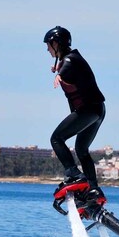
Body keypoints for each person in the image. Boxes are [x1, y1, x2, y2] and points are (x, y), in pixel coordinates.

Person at [44, 25, 107, 211]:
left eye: (48, 45)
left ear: (56, 43)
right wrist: (58, 68)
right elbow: (71, 67)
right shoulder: (70, 59)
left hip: (88, 111)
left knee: (56, 138)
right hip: (97, 110)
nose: (47, 49)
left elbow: (69, 67)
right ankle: (94, 190)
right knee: (81, 149)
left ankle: (74, 175)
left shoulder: (70, 61)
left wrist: (59, 74)